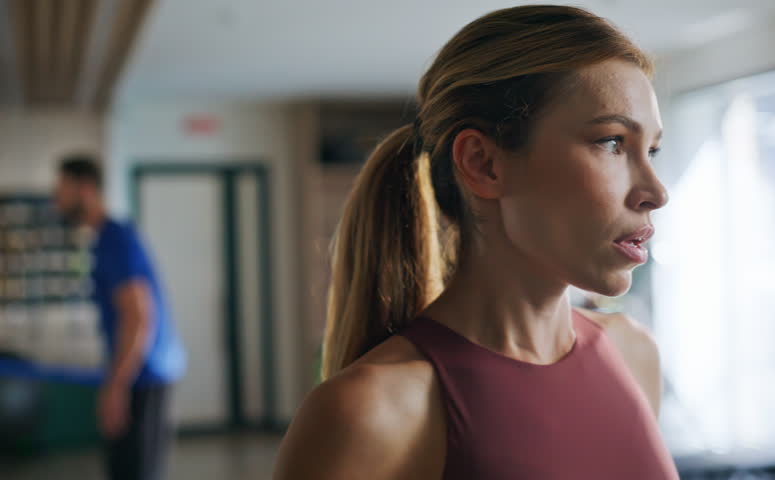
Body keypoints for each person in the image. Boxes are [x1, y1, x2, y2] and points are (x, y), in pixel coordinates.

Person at [275, 5, 678, 479]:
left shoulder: (634, 355)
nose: (656, 193)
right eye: (612, 142)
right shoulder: (371, 412)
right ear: (484, 163)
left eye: (651, 150)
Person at [54, 156, 185, 480]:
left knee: (136, 471)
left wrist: (116, 384)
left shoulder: (116, 239)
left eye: (61, 188)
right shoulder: (105, 239)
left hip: (144, 374)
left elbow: (139, 316)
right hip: (140, 371)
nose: (55, 197)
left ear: (85, 189)